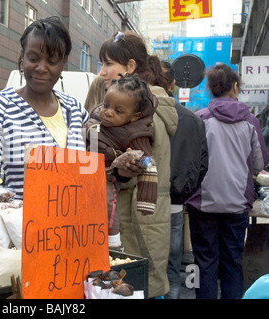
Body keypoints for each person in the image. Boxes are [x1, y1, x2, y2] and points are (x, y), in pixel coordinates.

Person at [0, 16, 90, 200]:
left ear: (63, 63)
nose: (41, 67)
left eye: (52, 61)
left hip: (75, 224)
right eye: (33, 58)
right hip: (22, 226)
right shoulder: (0, 107)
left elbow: (95, 161)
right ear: (22, 57)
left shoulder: (76, 110)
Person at [85, 30, 178, 298]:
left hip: (136, 220)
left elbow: (136, 165)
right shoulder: (131, 104)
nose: (102, 72)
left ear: (130, 68)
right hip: (139, 218)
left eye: (108, 64)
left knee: (137, 287)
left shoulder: (142, 115)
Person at [185, 63, 269, 299]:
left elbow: (191, 162)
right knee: (233, 262)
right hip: (237, 202)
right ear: (234, 87)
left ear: (211, 89)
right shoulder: (251, 121)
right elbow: (258, 164)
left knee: (203, 262)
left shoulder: (200, 118)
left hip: (203, 202)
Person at [85, 75, 158, 248]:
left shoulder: (136, 133)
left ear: (134, 116)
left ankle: (114, 243)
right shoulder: (94, 117)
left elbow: (149, 163)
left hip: (108, 177)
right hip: (84, 171)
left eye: (118, 111)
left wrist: (146, 199)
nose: (108, 112)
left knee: (107, 202)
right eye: (106, 105)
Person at [160, 61, 209, 299]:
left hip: (141, 203)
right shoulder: (193, 120)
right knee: (172, 268)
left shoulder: (138, 114)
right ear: (172, 84)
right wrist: (185, 191)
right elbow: (202, 165)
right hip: (176, 204)